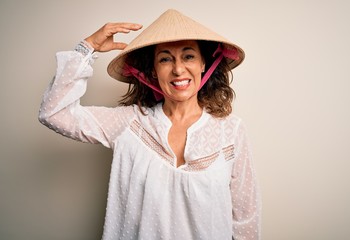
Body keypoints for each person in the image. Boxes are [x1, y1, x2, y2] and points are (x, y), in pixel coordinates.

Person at [39, 9, 260, 240]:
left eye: (188, 56)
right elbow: (54, 113)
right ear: (153, 71)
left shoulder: (231, 131)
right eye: (165, 59)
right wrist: (87, 47)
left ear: (204, 63)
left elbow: (246, 218)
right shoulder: (129, 123)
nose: (178, 69)